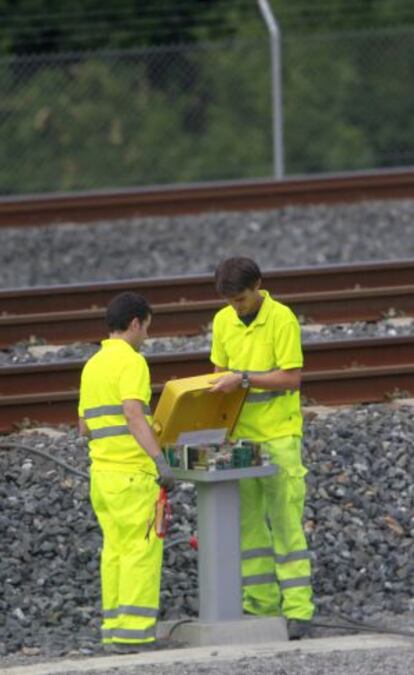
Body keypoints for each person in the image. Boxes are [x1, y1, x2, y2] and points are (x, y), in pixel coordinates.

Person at [209, 257, 314, 639]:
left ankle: (298, 611)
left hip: (280, 437)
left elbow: (291, 378)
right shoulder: (223, 321)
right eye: (230, 301)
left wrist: (244, 379)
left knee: (286, 525)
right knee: (249, 525)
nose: (236, 307)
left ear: (258, 286)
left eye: (240, 299)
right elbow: (219, 375)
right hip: (242, 439)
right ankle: (260, 605)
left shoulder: (282, 319)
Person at [78, 291, 175, 654]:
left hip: (102, 476)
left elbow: (84, 426)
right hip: (132, 474)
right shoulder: (132, 362)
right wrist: (159, 460)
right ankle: (134, 635)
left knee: (115, 551)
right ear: (134, 323)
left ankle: (114, 629)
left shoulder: (93, 365)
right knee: (140, 550)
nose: (146, 337)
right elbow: (134, 413)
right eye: (146, 328)